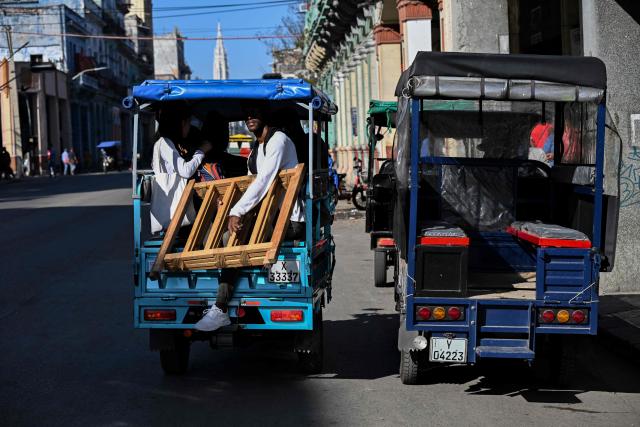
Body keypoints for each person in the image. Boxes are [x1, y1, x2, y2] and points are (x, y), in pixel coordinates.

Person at [195, 106, 304, 332]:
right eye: (247, 115)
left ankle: (220, 308)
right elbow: (249, 180)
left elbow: (264, 180)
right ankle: (222, 297)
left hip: (287, 220)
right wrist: (229, 206)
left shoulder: (279, 140)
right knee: (226, 236)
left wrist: (238, 211)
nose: (250, 118)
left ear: (267, 116)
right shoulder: (257, 148)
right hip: (264, 216)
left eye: (255, 114)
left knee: (235, 239)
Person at [150, 103, 212, 234]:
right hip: (173, 212)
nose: (190, 128)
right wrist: (201, 151)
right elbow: (185, 171)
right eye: (189, 123)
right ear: (182, 123)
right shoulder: (164, 143)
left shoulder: (170, 143)